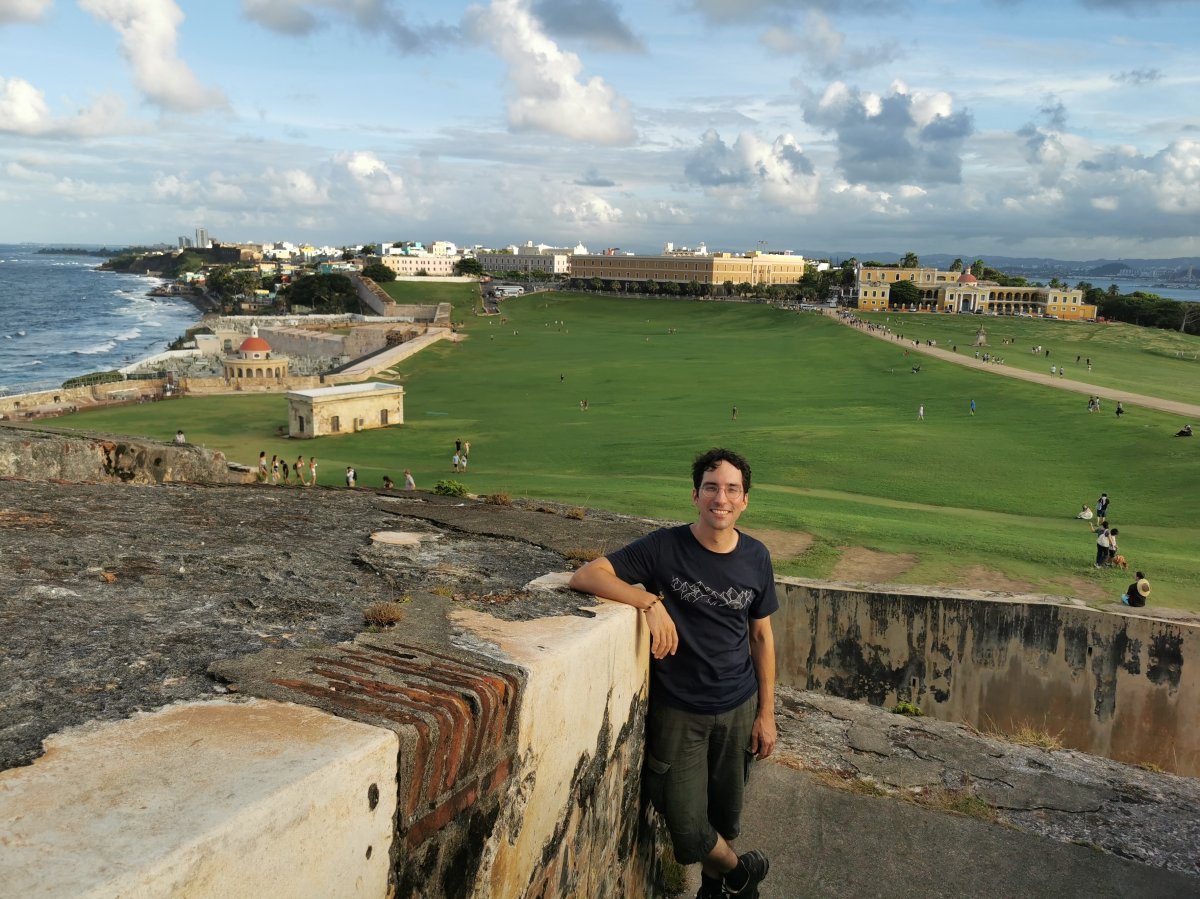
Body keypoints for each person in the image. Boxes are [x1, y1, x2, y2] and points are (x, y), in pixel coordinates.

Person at [568, 449, 775, 899]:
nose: (721, 498)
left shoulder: (757, 557)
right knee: (683, 819)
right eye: (712, 488)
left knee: (724, 811)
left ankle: (714, 886)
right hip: (679, 711)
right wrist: (649, 602)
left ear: (745, 501)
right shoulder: (665, 547)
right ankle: (742, 872)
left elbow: (761, 637)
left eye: (732, 489)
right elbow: (587, 576)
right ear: (695, 495)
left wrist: (767, 713)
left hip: (738, 706)